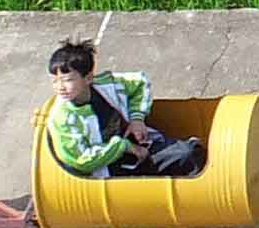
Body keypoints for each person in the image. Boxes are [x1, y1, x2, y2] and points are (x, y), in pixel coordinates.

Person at [39, 37, 203, 181]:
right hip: (110, 170)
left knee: (191, 152)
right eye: (55, 81)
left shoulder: (107, 86)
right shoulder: (63, 118)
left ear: (88, 78)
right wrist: (124, 147)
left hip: (136, 145)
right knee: (185, 155)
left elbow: (140, 83)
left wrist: (137, 119)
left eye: (67, 80)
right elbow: (82, 160)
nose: (60, 87)